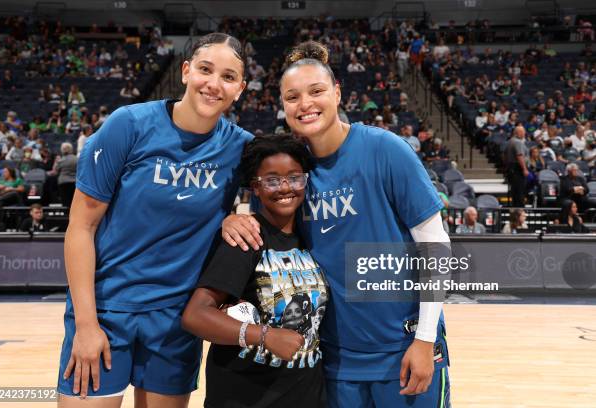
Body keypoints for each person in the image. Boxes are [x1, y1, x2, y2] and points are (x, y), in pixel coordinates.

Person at [222, 41, 451, 408]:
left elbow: (436, 245)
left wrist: (424, 339)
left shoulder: (385, 149)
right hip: (334, 361)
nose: (305, 104)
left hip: (403, 350)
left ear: (337, 92)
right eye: (292, 96)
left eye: (316, 91)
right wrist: (232, 217)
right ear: (282, 105)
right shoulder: (295, 175)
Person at [56, 32, 252, 406]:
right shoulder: (128, 125)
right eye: (205, 70)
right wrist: (85, 325)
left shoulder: (241, 147)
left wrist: (231, 217)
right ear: (185, 71)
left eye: (228, 77)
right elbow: (81, 227)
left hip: (176, 321)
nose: (214, 84)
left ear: (240, 89)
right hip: (108, 309)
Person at [182, 134, 327, 407]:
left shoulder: (314, 239)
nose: (285, 187)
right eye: (272, 180)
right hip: (244, 397)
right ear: (256, 188)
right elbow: (195, 315)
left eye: (295, 177)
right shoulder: (246, 239)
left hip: (308, 396)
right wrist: (264, 335)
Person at [504, 126, 529, 207]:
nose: (524, 133)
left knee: (515, 191)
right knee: (519, 192)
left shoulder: (510, 141)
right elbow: (519, 156)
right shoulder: (518, 142)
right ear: (518, 133)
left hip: (511, 169)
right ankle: (520, 210)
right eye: (523, 132)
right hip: (517, 169)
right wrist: (524, 169)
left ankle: (516, 210)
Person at [49, 143, 77, 207]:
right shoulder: (77, 159)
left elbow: (55, 171)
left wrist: (56, 162)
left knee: (65, 201)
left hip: (63, 183)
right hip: (75, 182)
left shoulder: (61, 160)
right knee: (74, 201)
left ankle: (65, 215)